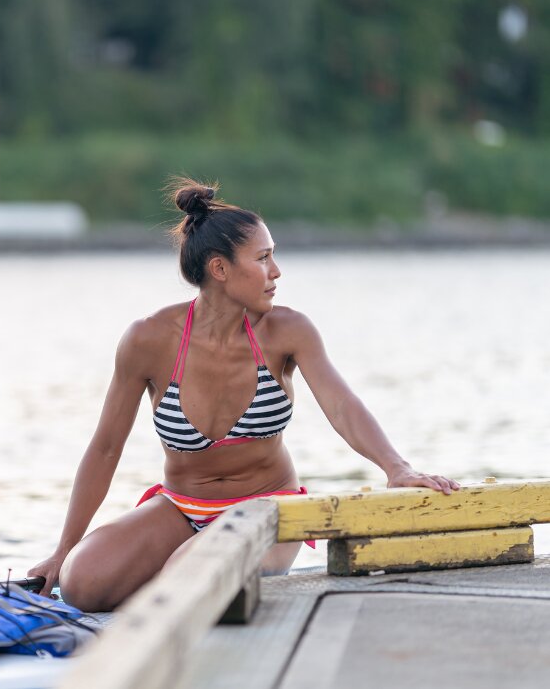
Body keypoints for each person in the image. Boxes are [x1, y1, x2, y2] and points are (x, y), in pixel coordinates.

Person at [27, 179, 460, 612]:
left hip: (266, 511)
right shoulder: (149, 339)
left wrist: (397, 468)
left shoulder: (287, 331)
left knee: (188, 574)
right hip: (180, 507)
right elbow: (105, 448)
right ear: (220, 269)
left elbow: (342, 405)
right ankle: (181, 589)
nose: (276, 272)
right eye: (264, 258)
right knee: (82, 582)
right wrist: (64, 548)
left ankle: (185, 591)